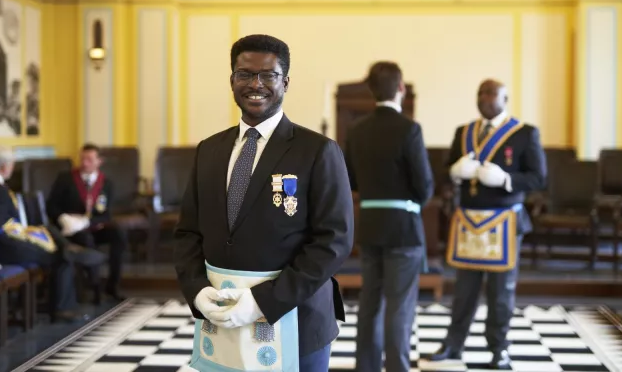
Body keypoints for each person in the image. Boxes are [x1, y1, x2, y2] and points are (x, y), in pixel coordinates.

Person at [174, 34, 354, 372]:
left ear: (284, 81)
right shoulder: (209, 150)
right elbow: (187, 233)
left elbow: (333, 242)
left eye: (268, 75)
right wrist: (197, 290)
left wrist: (262, 302)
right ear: (232, 81)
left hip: (294, 320)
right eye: (244, 74)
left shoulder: (317, 151)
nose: (255, 84)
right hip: (223, 317)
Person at [428, 79, 546, 369]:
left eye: (492, 93)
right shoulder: (464, 132)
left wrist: (506, 179)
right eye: (481, 92)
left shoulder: (524, 134)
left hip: (504, 222)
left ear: (505, 99)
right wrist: (454, 172)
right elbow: (445, 173)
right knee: (463, 290)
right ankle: (453, 344)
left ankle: (499, 349)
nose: (486, 98)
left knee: (501, 292)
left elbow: (538, 178)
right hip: (468, 221)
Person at [344, 61, 433, 372]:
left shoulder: (356, 130)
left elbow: (350, 181)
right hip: (403, 230)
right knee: (399, 306)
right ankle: (397, 367)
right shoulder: (409, 129)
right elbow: (424, 186)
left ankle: (366, 368)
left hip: (369, 226)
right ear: (401, 88)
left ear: (371, 91)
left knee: (369, 303)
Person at [0, 146, 91, 323]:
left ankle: (73, 251)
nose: (12, 167)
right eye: (12, 164)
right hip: (1, 247)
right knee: (62, 257)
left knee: (54, 242)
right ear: (4, 166)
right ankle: (62, 308)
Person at [47, 143, 126, 301]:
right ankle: (95, 286)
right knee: (86, 240)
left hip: (93, 226)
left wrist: (87, 223)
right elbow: (51, 206)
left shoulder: (106, 183)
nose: (85, 163)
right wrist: (63, 218)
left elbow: (106, 215)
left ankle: (113, 285)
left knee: (119, 234)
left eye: (89, 159)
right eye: (82, 159)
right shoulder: (65, 178)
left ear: (99, 161)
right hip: (71, 229)